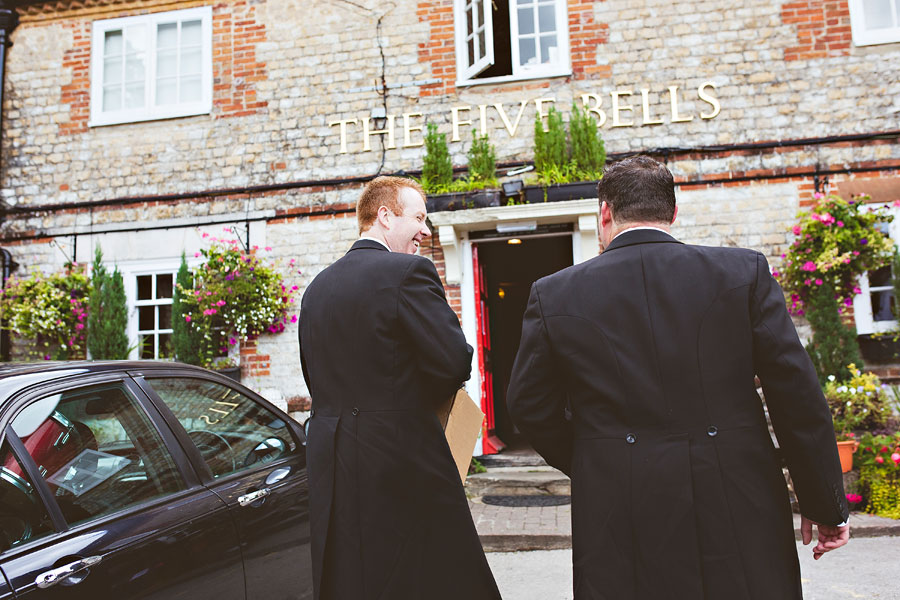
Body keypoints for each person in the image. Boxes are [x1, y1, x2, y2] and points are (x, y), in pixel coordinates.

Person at [506, 156, 849, 599]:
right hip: (736, 491)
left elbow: (530, 405)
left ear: (605, 213)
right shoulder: (743, 273)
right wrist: (824, 503)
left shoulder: (553, 292)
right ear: (672, 213)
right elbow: (795, 394)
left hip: (619, 498)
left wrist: (597, 458)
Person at [299, 176, 501, 600]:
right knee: (431, 578)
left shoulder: (316, 289)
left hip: (333, 468)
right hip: (400, 460)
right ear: (385, 216)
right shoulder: (408, 271)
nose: (426, 231)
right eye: (419, 218)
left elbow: (315, 377)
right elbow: (452, 361)